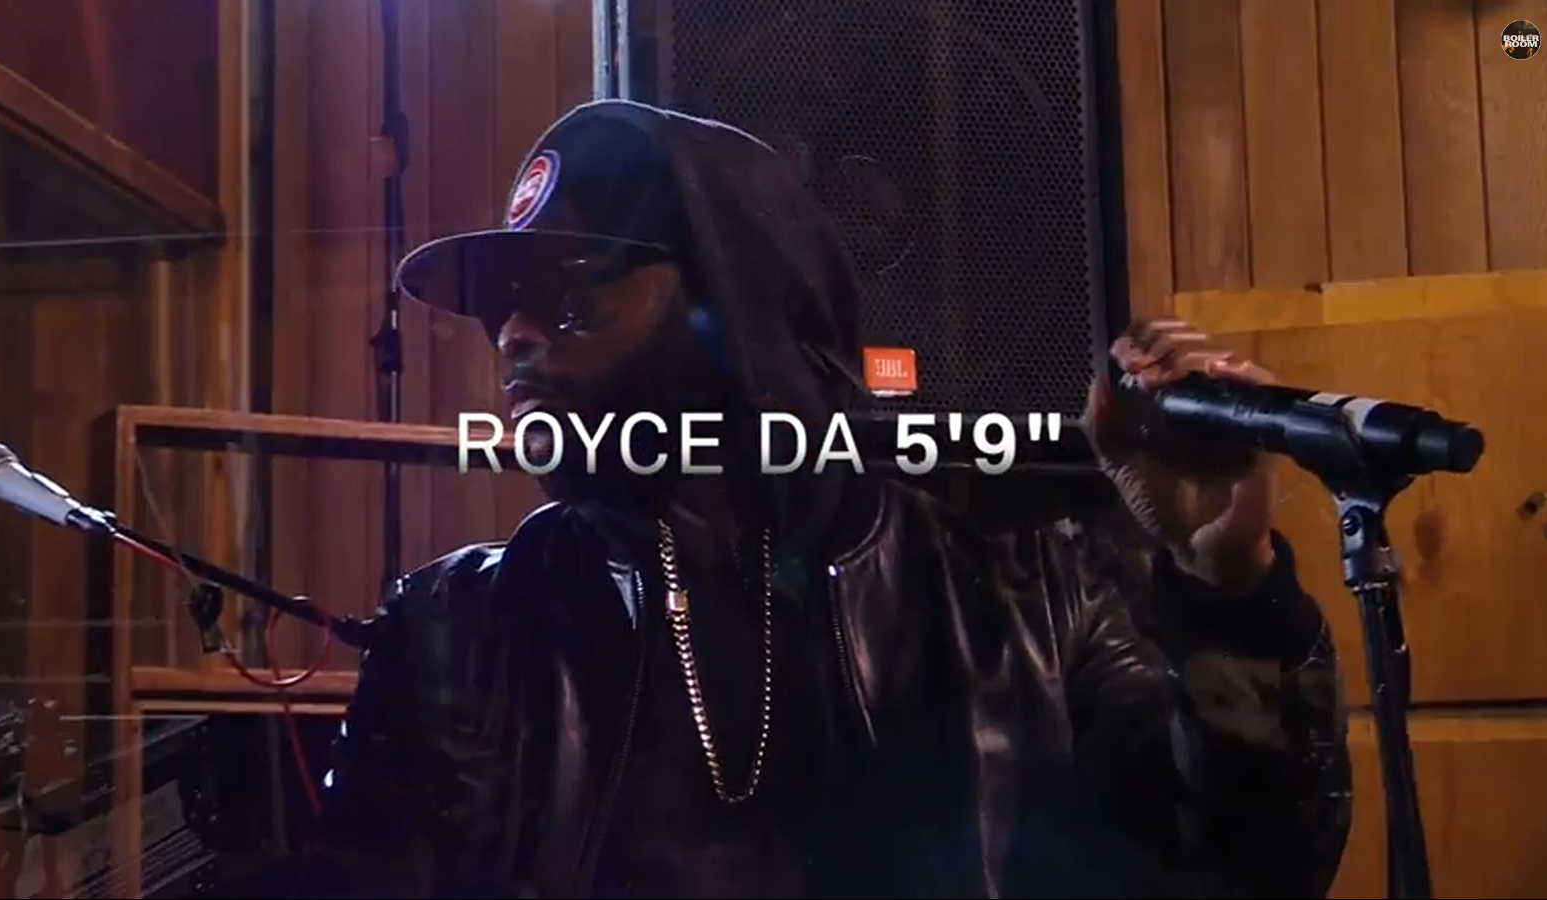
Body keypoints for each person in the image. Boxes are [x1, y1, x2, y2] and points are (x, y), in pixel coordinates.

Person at [311, 100, 1352, 898]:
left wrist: (1229, 589)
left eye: (570, 292)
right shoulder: (457, 627)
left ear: (740, 305)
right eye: (499, 307)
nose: (513, 337)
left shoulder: (1027, 591)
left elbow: (1250, 870)